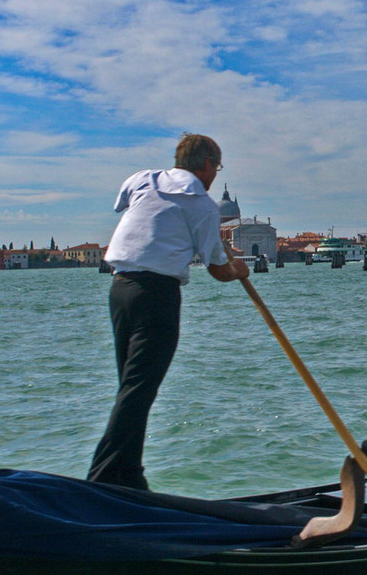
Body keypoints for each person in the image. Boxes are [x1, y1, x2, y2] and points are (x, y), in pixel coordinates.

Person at [87, 134, 249, 490]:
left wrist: (197, 235)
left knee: (130, 387)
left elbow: (143, 216)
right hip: (157, 295)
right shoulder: (204, 206)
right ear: (207, 165)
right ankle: (103, 480)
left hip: (120, 289)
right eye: (216, 168)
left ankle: (128, 474)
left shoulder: (141, 179)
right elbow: (220, 271)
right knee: (139, 388)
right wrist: (241, 269)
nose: (214, 176)